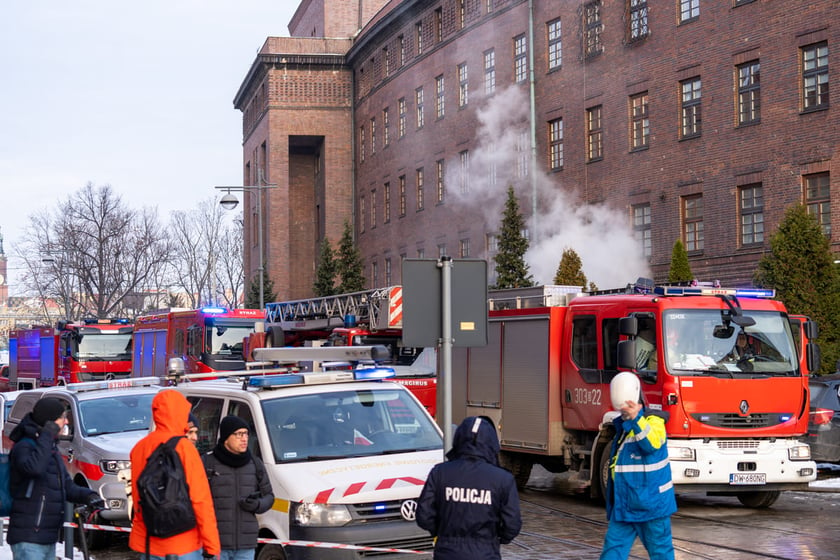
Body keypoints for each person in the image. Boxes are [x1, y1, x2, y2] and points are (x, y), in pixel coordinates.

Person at [7, 397, 104, 560]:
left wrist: (89, 495)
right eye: (62, 417)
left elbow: (66, 485)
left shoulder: (48, 448)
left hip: (46, 536)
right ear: (50, 422)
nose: (66, 421)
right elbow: (34, 468)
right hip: (29, 537)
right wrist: (47, 435)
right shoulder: (25, 446)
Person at [130, 389, 221, 560]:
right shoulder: (185, 448)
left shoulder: (140, 448)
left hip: (150, 541)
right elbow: (200, 500)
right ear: (179, 413)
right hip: (184, 544)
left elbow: (138, 498)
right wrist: (212, 546)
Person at [416, 416, 521, 560]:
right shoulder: (502, 479)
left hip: (447, 551)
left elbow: (424, 514)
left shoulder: (440, 472)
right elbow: (512, 524)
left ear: (458, 439)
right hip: (485, 552)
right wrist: (495, 539)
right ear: (491, 443)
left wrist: (441, 532)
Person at [600, 372, 676, 560]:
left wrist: (636, 420)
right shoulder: (622, 425)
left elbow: (651, 444)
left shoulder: (654, 422)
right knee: (612, 553)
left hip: (651, 507)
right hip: (626, 506)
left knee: (661, 554)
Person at [202, 415, 274, 560]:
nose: (244, 439)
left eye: (246, 434)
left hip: (246, 544)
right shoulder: (207, 462)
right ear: (226, 437)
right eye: (239, 434)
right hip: (216, 544)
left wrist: (258, 504)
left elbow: (270, 497)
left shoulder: (255, 463)